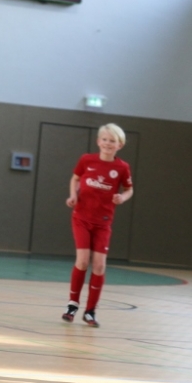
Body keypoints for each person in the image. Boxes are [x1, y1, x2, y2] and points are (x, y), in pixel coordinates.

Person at [62, 123, 133, 328]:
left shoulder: (122, 167)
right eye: (105, 139)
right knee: (83, 261)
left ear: (119, 145)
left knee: (100, 265)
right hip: (81, 218)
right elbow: (75, 178)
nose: (108, 144)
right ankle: (72, 305)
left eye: (112, 141)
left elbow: (129, 189)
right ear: (98, 141)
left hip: (103, 222)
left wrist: (122, 197)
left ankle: (90, 311)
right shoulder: (87, 160)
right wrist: (73, 195)